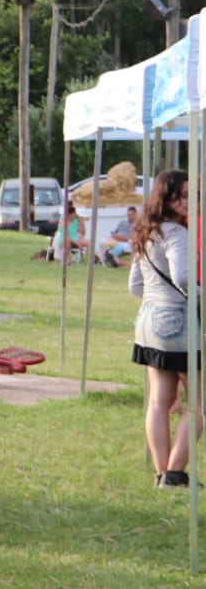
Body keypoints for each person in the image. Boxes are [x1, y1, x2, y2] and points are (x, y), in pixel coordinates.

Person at [128, 169, 202, 488]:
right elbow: (184, 277)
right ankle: (173, 473)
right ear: (166, 196)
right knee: (199, 403)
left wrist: (158, 301)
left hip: (148, 322)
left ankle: (162, 473)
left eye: (190, 195)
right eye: (181, 195)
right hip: (177, 321)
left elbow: (134, 285)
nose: (187, 202)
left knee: (159, 401)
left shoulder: (146, 231)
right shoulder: (177, 233)